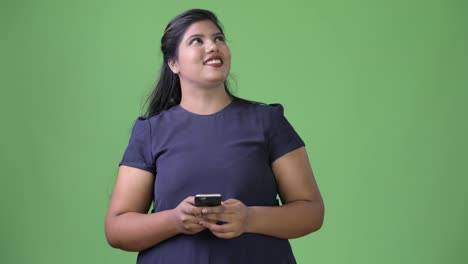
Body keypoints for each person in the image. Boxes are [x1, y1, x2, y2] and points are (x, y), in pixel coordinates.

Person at [105, 9, 324, 264]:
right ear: (173, 63)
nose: (213, 46)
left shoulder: (268, 121)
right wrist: (174, 220)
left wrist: (249, 218)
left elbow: (311, 211)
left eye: (218, 38)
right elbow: (117, 228)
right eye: (197, 40)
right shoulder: (151, 131)